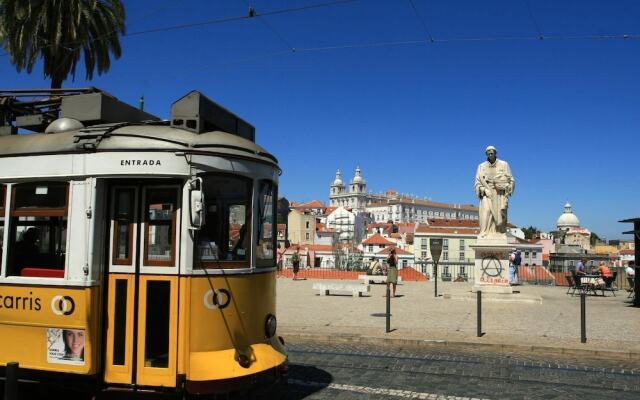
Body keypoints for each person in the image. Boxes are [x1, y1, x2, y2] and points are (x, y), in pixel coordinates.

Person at [474, 146, 515, 237]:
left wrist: (507, 186)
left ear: (495, 153)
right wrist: (484, 190)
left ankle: (499, 232)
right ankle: (485, 231)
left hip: (499, 193)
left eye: (492, 152)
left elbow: (511, 179)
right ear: (486, 154)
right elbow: (477, 183)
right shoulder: (481, 166)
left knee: (500, 214)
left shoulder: (504, 164)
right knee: (486, 211)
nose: (490, 154)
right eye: (488, 153)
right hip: (487, 192)